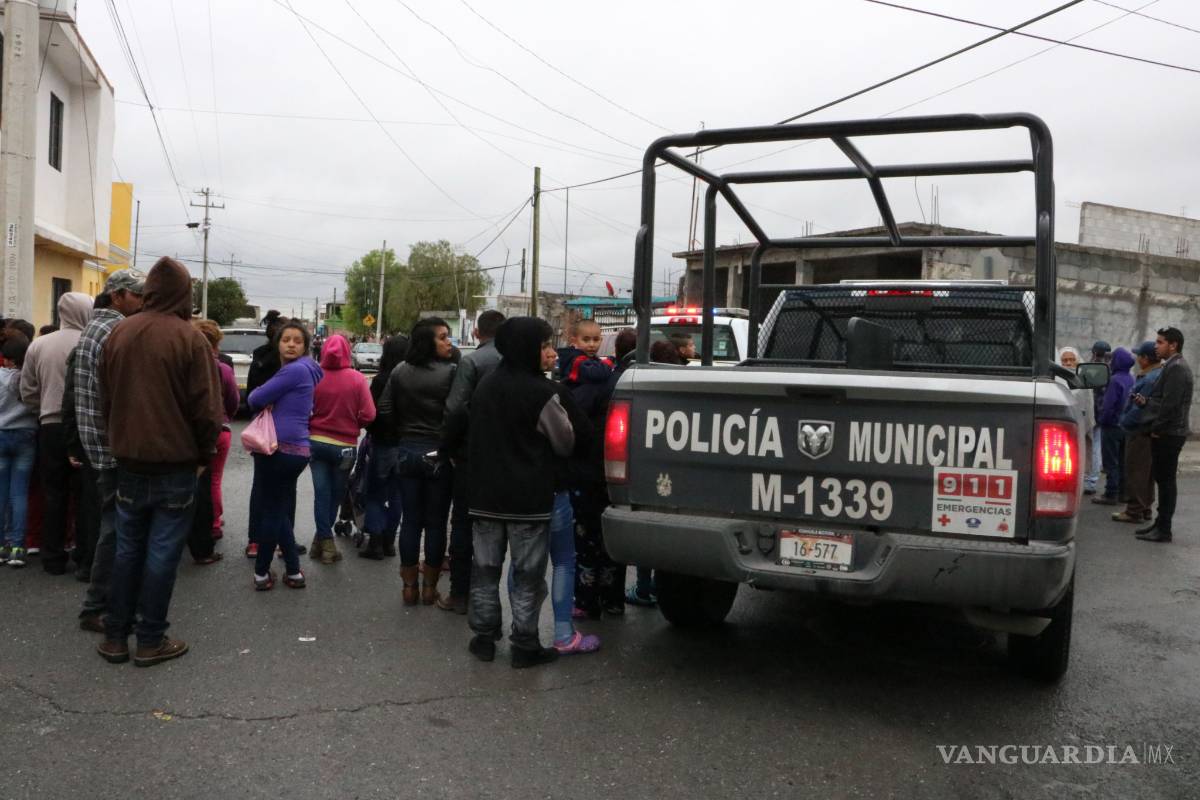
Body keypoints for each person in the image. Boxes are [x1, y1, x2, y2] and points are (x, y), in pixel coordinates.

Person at [96, 257, 223, 667]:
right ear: (183, 295)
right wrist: (205, 455)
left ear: (149, 290)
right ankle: (150, 639)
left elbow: (106, 399)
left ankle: (115, 636)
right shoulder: (190, 340)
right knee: (162, 554)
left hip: (129, 460)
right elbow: (207, 411)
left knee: (127, 548)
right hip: (175, 464)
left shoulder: (119, 333)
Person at [466, 317, 575, 668]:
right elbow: (564, 441)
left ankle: (483, 638)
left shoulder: (486, 386)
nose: (549, 350)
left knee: (484, 570)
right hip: (528, 499)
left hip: (485, 497)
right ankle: (524, 644)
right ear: (528, 347)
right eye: (544, 344)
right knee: (528, 575)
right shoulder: (542, 392)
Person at [68, 270, 145, 628]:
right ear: (117, 296)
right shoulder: (116, 331)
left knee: (114, 526)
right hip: (113, 446)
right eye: (137, 295)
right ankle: (96, 607)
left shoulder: (93, 329)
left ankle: (106, 603)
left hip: (98, 443)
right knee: (115, 530)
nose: (143, 301)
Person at [378, 318, 456, 605]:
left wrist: (402, 433)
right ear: (428, 341)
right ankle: (429, 588)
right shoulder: (451, 373)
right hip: (438, 454)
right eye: (444, 337)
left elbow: (384, 408)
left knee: (410, 521)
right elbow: (457, 412)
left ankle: (408, 588)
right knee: (435, 523)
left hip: (407, 451)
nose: (450, 342)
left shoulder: (399, 371)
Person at [19, 292, 92, 574]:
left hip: (49, 425)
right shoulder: (91, 342)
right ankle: (84, 555)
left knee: (54, 492)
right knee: (85, 493)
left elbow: (27, 390)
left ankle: (52, 556)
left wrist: (44, 408)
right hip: (84, 427)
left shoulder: (39, 345)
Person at [246, 320, 323, 588]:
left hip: (278, 448)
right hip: (297, 449)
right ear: (277, 343)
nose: (291, 344)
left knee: (271, 512)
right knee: (278, 511)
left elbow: (254, 399)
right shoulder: (308, 369)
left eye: (297, 341)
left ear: (305, 346)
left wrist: (264, 396)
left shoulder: (294, 371)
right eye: (286, 339)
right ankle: (293, 571)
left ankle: (261, 573)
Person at [438, 309, 505, 611]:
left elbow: (455, 409)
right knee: (495, 527)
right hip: (506, 457)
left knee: (463, 523)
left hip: (469, 455)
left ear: (477, 333)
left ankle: (460, 594)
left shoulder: (472, 361)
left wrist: (448, 447)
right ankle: (487, 597)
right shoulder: (516, 362)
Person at [308, 334, 375, 565]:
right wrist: (354, 423)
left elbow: (304, 408)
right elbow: (369, 414)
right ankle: (326, 545)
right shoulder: (357, 379)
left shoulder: (315, 376)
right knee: (335, 497)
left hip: (315, 443)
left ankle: (322, 541)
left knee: (321, 495)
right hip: (345, 447)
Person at [184, 320, 239, 566]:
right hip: (219, 430)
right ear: (217, 342)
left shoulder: (185, 364)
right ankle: (213, 524)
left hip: (187, 433)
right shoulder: (223, 369)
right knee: (212, 480)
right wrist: (225, 417)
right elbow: (233, 400)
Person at [1133, 327, 1193, 543]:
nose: (1156, 346)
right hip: (1166, 431)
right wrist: (1145, 402)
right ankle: (1159, 524)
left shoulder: (1177, 368)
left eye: (1160, 342)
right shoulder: (1172, 366)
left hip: (1169, 433)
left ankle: (1164, 529)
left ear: (1173, 345)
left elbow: (1170, 406)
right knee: (1162, 479)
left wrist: (1156, 429)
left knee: (1166, 482)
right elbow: (1161, 401)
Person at [359, 335, 409, 560]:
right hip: (406, 443)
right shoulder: (412, 378)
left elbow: (371, 412)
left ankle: (375, 542)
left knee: (376, 493)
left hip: (382, 442)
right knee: (397, 494)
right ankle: (390, 541)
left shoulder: (381, 380)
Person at [1112, 342, 1162, 524]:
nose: (1137, 359)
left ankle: (1134, 511)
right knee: (1146, 473)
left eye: (1139, 356)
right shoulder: (1154, 375)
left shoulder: (1149, 379)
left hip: (1139, 430)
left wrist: (1124, 422)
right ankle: (1145, 509)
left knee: (1135, 472)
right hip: (1147, 430)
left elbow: (1138, 409)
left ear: (1146, 358)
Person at [0, 332, 38, 568]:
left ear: (6, 357)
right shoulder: (28, 378)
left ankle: (1, 545)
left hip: (1, 433)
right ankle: (17, 546)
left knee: (1, 493)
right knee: (19, 493)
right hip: (25, 434)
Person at [1093, 346, 1135, 505]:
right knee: (1123, 461)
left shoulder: (1115, 380)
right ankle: (1123, 493)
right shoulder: (1131, 378)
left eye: (1112, 359)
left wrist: (1102, 420)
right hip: (1126, 425)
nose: (1110, 362)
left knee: (1111, 462)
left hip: (1111, 426)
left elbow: (1109, 405)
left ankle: (1111, 493)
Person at [1083, 341, 1112, 494]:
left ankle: (1088, 480)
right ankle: (1091, 480)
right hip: (1102, 414)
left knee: (1088, 446)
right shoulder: (1111, 369)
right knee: (1096, 446)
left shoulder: (1087, 368)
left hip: (1087, 412)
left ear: (1094, 353)